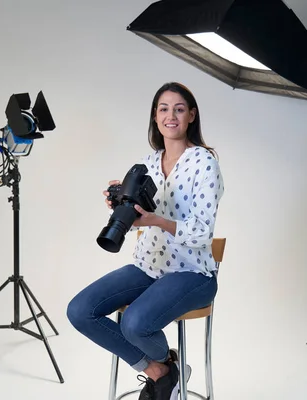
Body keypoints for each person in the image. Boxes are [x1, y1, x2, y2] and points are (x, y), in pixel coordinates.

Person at [67, 82, 225, 400]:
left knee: (135, 323)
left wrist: (154, 220)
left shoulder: (205, 163)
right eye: (164, 109)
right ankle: (162, 370)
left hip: (192, 273)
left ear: (191, 115)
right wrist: (123, 204)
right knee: (80, 310)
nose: (171, 116)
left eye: (179, 109)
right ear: (155, 116)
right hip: (148, 267)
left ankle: (163, 373)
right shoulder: (148, 163)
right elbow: (140, 220)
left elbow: (201, 233)